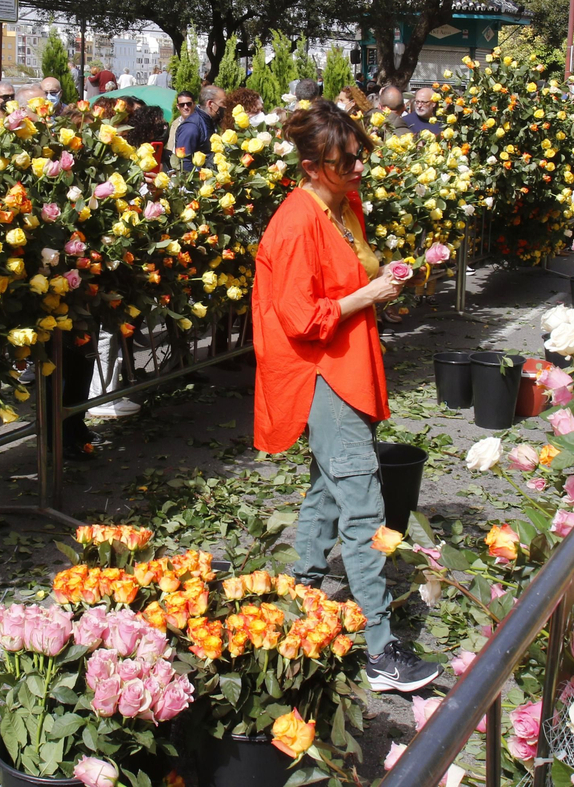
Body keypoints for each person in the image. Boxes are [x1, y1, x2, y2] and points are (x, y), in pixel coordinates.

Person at [251, 101, 438, 693]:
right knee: (363, 508)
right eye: (344, 161)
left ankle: (297, 600)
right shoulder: (296, 221)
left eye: (359, 155)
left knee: (327, 492)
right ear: (310, 166)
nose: (358, 167)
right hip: (321, 372)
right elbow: (301, 317)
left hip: (345, 364)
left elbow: (348, 282)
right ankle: (382, 654)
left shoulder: (341, 205)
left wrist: (386, 280)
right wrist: (371, 294)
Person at [174, 85, 223, 170]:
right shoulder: (191, 127)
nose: (224, 107)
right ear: (210, 104)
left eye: (188, 104)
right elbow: (184, 163)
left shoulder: (210, 120)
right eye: (222, 103)